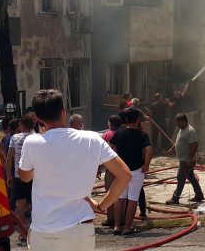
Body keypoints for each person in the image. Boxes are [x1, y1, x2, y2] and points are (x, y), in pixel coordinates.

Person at [18, 89, 131, 250]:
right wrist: (101, 206)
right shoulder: (91, 138)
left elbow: (25, 177)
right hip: (80, 229)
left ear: (37, 119)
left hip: (44, 230)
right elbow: (124, 175)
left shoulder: (32, 142)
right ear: (64, 112)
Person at [109, 107, 152, 236]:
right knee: (133, 199)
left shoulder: (118, 133)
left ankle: (117, 226)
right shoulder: (142, 135)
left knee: (120, 197)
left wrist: (114, 164)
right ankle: (127, 227)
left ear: (126, 119)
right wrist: (146, 165)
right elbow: (149, 150)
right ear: (138, 119)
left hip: (122, 171)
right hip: (136, 170)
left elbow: (110, 148)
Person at [6, 113, 36, 246]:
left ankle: (24, 234)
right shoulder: (37, 138)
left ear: (21, 125)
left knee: (20, 206)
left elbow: (9, 159)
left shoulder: (14, 138)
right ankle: (37, 233)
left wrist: (8, 175)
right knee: (36, 205)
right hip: (35, 176)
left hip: (19, 176)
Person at [166, 113, 205, 204]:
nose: (177, 124)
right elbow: (179, 141)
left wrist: (190, 158)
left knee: (180, 177)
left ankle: (175, 198)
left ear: (184, 121)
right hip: (184, 159)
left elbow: (194, 144)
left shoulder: (190, 131)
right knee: (191, 177)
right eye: (176, 122)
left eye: (178, 122)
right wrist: (172, 148)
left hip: (186, 160)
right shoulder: (182, 129)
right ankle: (199, 195)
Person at [100, 114, 123, 227]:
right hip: (123, 168)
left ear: (110, 123)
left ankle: (111, 219)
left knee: (110, 194)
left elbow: (99, 152)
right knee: (122, 194)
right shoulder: (124, 133)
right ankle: (122, 218)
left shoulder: (106, 135)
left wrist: (99, 168)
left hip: (110, 169)